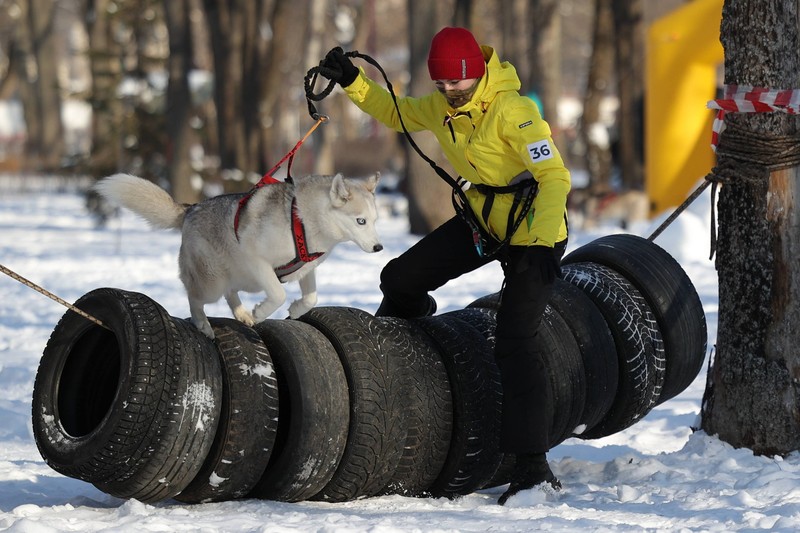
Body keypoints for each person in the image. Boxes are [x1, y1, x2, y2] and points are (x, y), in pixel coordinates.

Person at [322, 27, 570, 505]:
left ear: (479, 73)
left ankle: (533, 467)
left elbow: (553, 175)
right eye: (442, 86)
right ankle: (408, 360)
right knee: (398, 279)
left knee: (516, 340)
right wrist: (353, 80)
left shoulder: (515, 112)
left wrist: (539, 245)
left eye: (460, 84)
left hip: (533, 230)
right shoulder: (441, 106)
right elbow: (396, 112)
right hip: (483, 220)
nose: (451, 94)